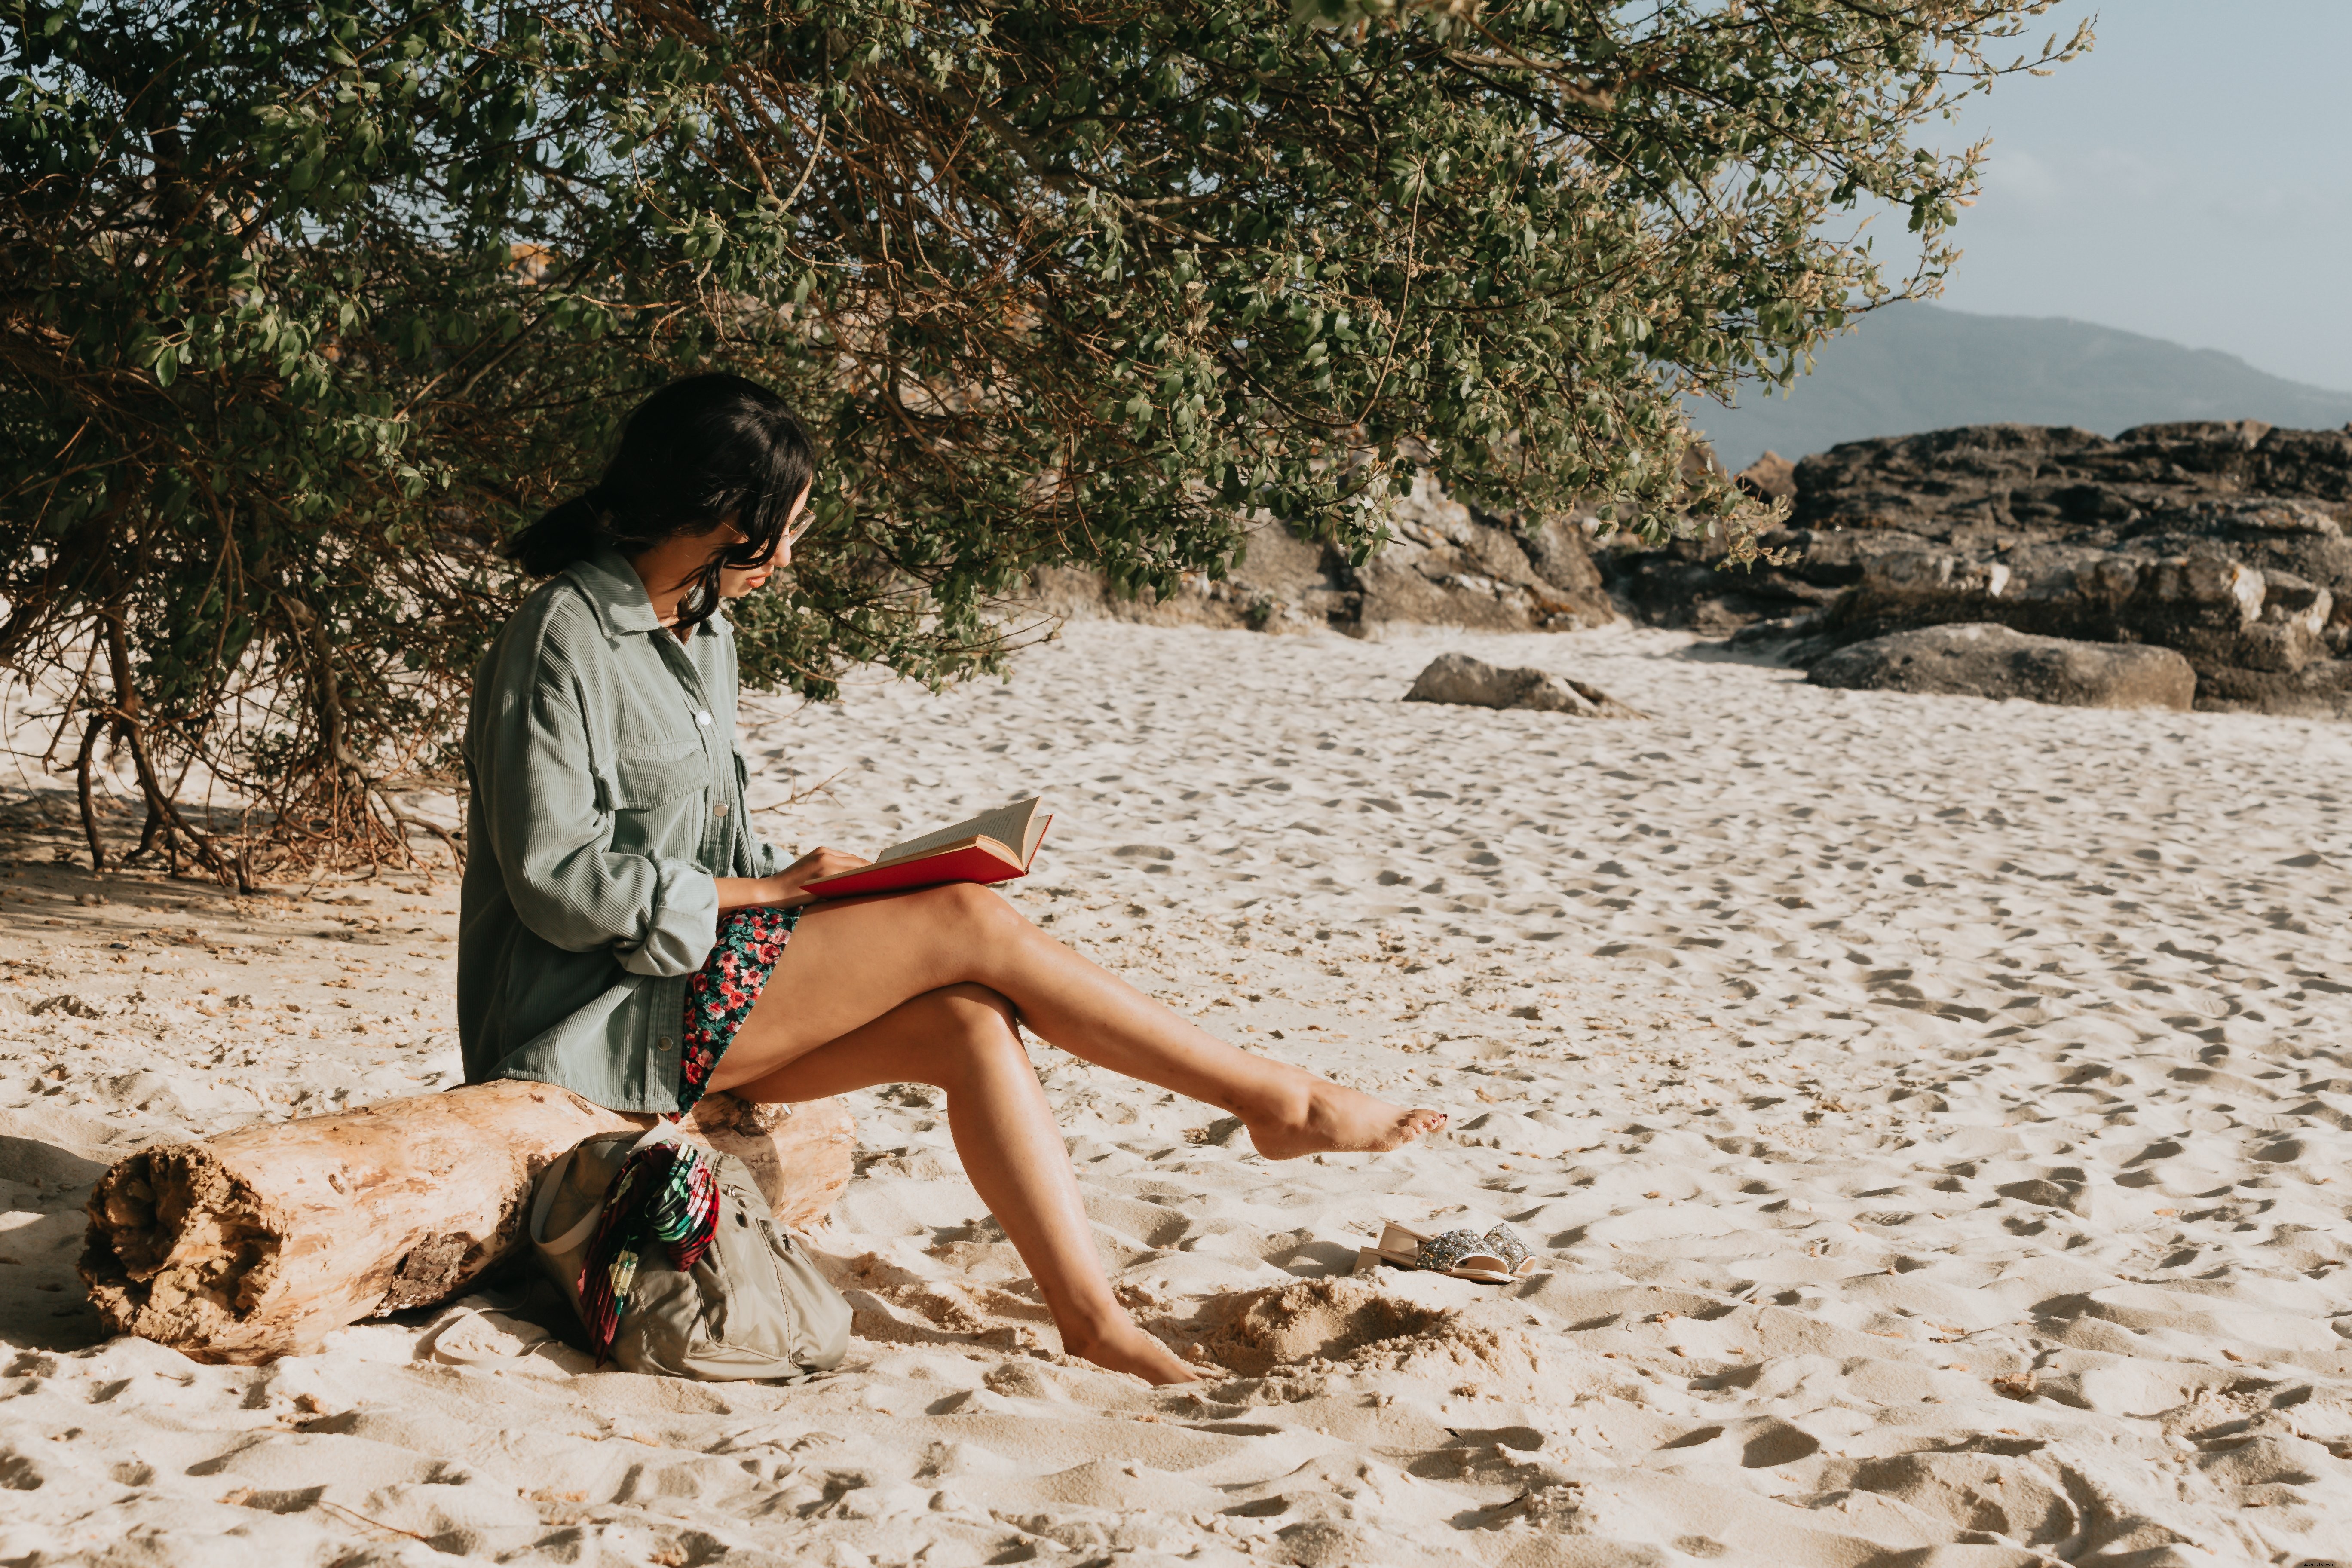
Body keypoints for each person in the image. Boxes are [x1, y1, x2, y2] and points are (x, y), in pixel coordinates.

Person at [459, 373, 1445, 1384]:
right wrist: (756, 896)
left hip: (691, 984)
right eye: (777, 532)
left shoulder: (703, 633)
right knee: (968, 918)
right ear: (713, 513)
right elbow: (558, 878)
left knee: (970, 1021)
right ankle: (1281, 1102)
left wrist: (809, 881)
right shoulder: (563, 635)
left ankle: (1094, 1320)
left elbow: (699, 840)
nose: (788, 559)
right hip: (591, 1015)